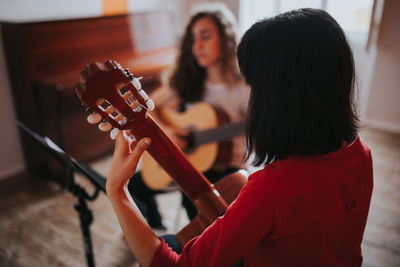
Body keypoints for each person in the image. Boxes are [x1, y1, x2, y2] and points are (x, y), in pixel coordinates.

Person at [105, 8, 373, 266]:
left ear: (280, 97)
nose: (251, 93)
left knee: (170, 243)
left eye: (255, 84)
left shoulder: (271, 189)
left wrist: (117, 191)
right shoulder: (362, 154)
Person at [124, 2, 249, 229]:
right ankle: (156, 225)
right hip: (192, 163)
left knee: (198, 202)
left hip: (230, 166)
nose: (197, 45)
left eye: (206, 36)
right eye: (193, 38)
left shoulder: (244, 87)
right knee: (133, 184)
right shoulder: (189, 80)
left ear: (227, 38)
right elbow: (146, 105)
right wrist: (168, 129)